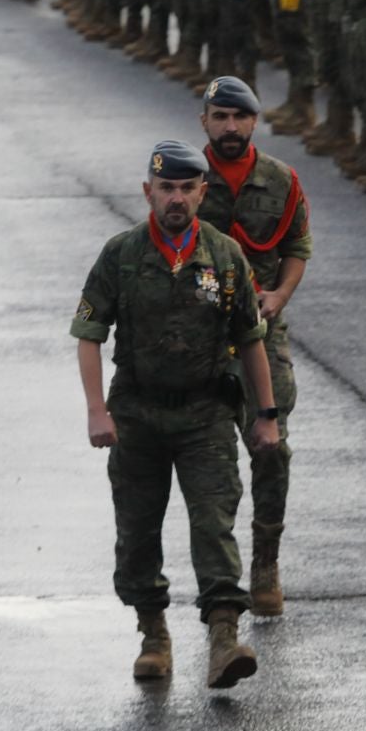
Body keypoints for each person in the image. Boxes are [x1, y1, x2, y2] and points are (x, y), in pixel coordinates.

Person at [72, 140, 280, 689]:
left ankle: (223, 638)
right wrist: (97, 411)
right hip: (137, 414)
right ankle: (153, 634)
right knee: (137, 528)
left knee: (214, 522)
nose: (177, 199)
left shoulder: (225, 256)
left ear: (201, 193)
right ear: (149, 192)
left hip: (205, 412)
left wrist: (266, 414)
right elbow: (89, 336)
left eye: (188, 189)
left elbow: (251, 339)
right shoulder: (120, 254)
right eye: (167, 188)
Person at [194, 77, 311, 617]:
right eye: (221, 117)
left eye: (240, 117)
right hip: (200, 336)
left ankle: (267, 559)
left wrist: (281, 294)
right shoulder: (186, 182)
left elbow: (296, 246)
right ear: (205, 123)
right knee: (210, 461)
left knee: (272, 446)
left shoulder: (280, 180)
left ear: (254, 122)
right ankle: (222, 580)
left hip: (263, 334)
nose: (231, 127)